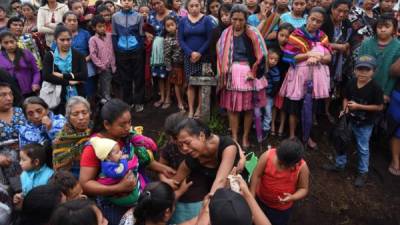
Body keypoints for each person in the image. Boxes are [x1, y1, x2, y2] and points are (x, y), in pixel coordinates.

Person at [79, 99, 175, 225]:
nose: (128, 127)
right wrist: (118, 187)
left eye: (129, 122)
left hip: (138, 194)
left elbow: (136, 160)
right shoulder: (94, 147)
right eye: (122, 124)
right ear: (107, 124)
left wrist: (162, 168)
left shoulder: (125, 137)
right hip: (114, 205)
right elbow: (85, 183)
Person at [324, 55, 384, 187]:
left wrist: (359, 107)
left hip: (365, 124)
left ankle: (363, 172)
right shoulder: (351, 82)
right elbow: (345, 97)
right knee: (341, 141)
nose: (362, 73)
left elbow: (379, 106)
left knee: (363, 148)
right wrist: (345, 108)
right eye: (360, 69)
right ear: (355, 70)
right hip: (350, 120)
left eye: (366, 70)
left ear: (373, 72)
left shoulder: (375, 88)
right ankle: (340, 164)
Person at [217, 4, 268, 149]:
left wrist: (254, 72)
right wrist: (224, 70)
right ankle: (234, 136)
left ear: (246, 19)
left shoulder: (253, 33)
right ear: (230, 18)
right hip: (232, 74)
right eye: (234, 19)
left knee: (249, 108)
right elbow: (220, 53)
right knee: (232, 108)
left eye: (241, 20)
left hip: (249, 73)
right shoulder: (225, 34)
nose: (237, 23)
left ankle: (245, 136)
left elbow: (262, 54)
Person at [279, 7, 331, 149]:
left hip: (316, 79)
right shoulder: (296, 35)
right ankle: (292, 136)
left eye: (318, 21)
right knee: (294, 107)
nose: (314, 23)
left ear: (322, 23)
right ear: (307, 17)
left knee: (310, 108)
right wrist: (309, 55)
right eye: (313, 19)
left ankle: (306, 136)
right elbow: (290, 57)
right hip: (298, 78)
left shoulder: (323, 37)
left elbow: (329, 57)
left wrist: (319, 57)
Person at [172, 118, 245, 199]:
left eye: (187, 143)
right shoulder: (191, 159)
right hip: (210, 189)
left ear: (201, 136)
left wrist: (207, 207)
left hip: (237, 189)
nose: (184, 148)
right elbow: (174, 182)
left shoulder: (227, 147)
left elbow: (220, 180)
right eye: (180, 145)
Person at [250, 139, 309, 225]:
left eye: (286, 166)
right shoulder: (267, 156)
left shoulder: (302, 168)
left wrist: (293, 197)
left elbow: (303, 189)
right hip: (260, 200)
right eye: (280, 163)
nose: (281, 167)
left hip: (280, 209)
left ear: (296, 163)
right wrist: (252, 196)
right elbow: (256, 175)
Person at [178, 0, 214, 118]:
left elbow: (209, 39)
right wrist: (190, 53)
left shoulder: (207, 20)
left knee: (201, 84)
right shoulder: (183, 21)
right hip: (189, 58)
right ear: (187, 7)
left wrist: (199, 53)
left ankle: (199, 109)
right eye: (191, 6)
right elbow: (181, 39)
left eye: (196, 5)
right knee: (191, 84)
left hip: (203, 57)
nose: (194, 8)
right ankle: (191, 110)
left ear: (201, 6)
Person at [42, 25, 88, 114]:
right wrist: (69, 82)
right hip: (57, 95)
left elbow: (84, 75)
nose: (66, 42)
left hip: (77, 93)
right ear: (55, 40)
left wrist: (63, 75)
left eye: (68, 39)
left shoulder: (78, 55)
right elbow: (47, 76)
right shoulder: (50, 56)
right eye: (62, 40)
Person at [321, 0, 352, 123]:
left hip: (338, 62)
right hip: (322, 59)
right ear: (333, 9)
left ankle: (326, 111)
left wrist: (347, 45)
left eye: (346, 11)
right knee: (320, 86)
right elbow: (318, 40)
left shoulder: (346, 23)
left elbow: (350, 39)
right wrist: (337, 46)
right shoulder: (324, 21)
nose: (342, 14)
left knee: (331, 86)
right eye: (339, 10)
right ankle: (314, 114)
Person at [358, 13, 400, 103]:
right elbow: (358, 65)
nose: (383, 30)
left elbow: (394, 76)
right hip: (364, 85)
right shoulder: (366, 43)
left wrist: (387, 93)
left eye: (387, 27)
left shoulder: (398, 47)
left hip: (384, 88)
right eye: (380, 27)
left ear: (394, 30)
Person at [112, 0, 145, 113]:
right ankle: (128, 102)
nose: (126, 3)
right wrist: (117, 49)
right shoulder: (115, 17)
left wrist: (139, 48)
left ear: (133, 3)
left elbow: (141, 34)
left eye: (129, 1)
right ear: (121, 2)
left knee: (138, 76)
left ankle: (139, 101)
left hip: (136, 50)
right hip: (121, 51)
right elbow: (114, 34)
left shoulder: (139, 16)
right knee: (125, 78)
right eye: (124, 0)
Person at [90, 136, 142, 207]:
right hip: (114, 193)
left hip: (119, 187)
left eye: (120, 150)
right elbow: (120, 171)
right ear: (108, 157)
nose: (121, 153)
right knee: (135, 198)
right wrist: (123, 160)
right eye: (117, 152)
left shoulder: (111, 161)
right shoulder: (107, 166)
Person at [148, 0, 178, 110]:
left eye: (158, 2)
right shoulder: (151, 15)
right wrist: (148, 34)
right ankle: (162, 97)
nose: (156, 6)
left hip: (170, 48)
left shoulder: (173, 15)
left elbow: (178, 30)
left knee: (168, 72)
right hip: (156, 48)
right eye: (154, 4)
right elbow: (147, 29)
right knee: (160, 74)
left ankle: (168, 98)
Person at [266, 23, 295, 137]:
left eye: (287, 37)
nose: (284, 39)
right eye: (281, 35)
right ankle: (272, 124)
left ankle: (282, 125)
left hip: (287, 79)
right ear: (277, 34)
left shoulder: (292, 49)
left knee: (283, 104)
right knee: (273, 103)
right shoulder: (271, 46)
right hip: (273, 80)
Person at [52, 96, 92, 177]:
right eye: (75, 114)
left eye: (84, 113)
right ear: (68, 117)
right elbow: (61, 168)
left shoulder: (96, 131)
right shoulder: (62, 138)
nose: (81, 117)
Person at [0, 82, 26, 194]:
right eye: (3, 95)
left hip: (25, 158)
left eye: (10, 94)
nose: (9, 98)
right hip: (5, 163)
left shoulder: (20, 111)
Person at [0, 32, 41, 97]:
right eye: (6, 43)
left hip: (30, 91)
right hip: (11, 94)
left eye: (12, 42)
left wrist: (35, 83)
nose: (10, 45)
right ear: (1, 44)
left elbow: (36, 71)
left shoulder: (26, 53)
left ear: (16, 41)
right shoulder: (0, 57)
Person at [13, 144, 54, 208]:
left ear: (36, 162)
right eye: (20, 159)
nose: (20, 163)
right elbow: (25, 192)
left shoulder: (50, 176)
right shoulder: (24, 175)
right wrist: (20, 196)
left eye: (23, 160)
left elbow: (50, 200)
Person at [89, 15, 116, 103]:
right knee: (105, 87)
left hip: (113, 66)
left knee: (113, 85)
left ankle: (113, 102)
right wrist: (101, 66)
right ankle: (107, 104)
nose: (102, 28)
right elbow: (93, 55)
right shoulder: (93, 40)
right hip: (103, 68)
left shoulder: (109, 36)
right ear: (94, 28)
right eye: (99, 26)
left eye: (104, 26)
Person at [164, 16, 186, 112]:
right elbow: (167, 55)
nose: (171, 27)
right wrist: (169, 67)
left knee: (184, 83)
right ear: (165, 28)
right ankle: (180, 102)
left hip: (185, 62)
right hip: (176, 64)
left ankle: (183, 99)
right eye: (168, 26)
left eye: (172, 24)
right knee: (177, 83)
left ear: (176, 24)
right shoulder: (167, 40)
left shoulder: (182, 35)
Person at [262, 48, 282, 137]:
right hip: (260, 93)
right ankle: (256, 126)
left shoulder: (275, 71)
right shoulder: (262, 68)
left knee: (268, 112)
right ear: (267, 58)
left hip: (268, 95)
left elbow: (276, 84)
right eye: (271, 58)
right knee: (258, 110)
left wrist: (271, 94)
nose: (273, 61)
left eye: (276, 60)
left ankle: (266, 129)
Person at [209, 3, 232, 74]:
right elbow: (213, 51)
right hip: (220, 66)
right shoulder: (216, 31)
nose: (224, 18)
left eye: (226, 15)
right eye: (221, 16)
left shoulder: (238, 30)